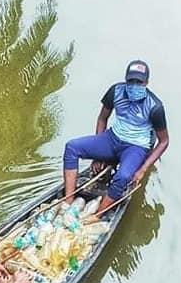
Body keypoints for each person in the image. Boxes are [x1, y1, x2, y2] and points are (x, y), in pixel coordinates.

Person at [62, 59, 169, 214]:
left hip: (136, 147)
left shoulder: (155, 107)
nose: (134, 86)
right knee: (71, 147)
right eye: (131, 81)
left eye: (139, 82)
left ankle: (96, 215)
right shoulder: (116, 91)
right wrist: (98, 156)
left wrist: (143, 169)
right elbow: (102, 118)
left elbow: (164, 141)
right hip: (112, 138)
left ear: (146, 83)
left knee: (123, 177)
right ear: (125, 80)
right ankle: (68, 201)